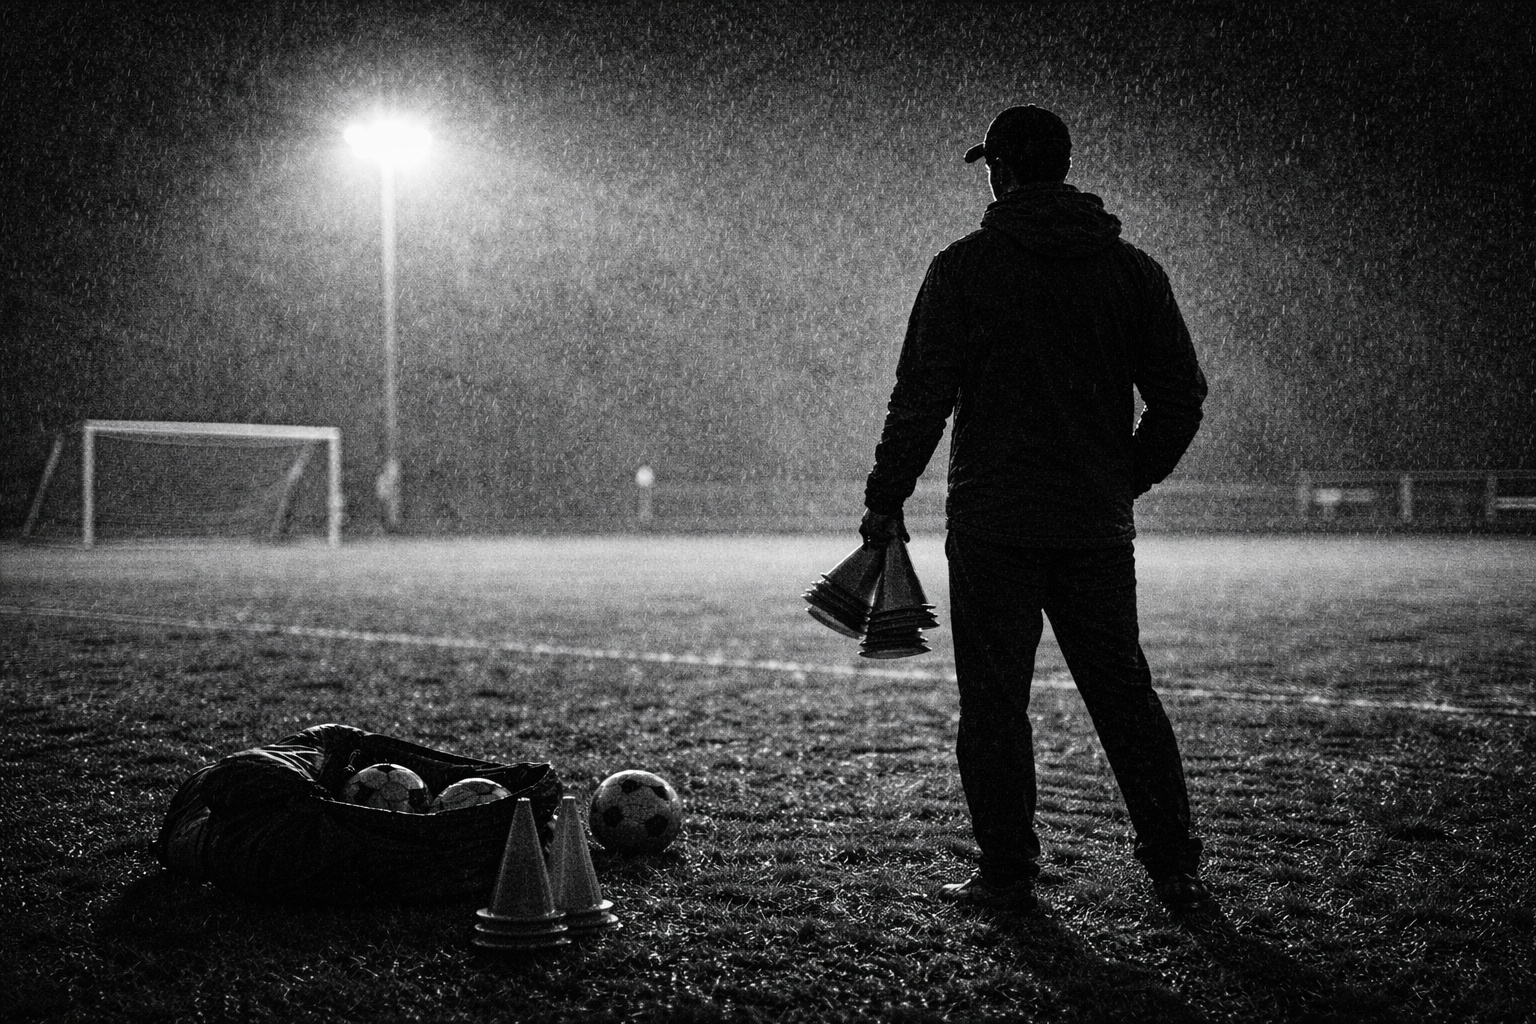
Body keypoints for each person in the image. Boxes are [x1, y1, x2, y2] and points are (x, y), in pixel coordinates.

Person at [859, 104, 1211, 914]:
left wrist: (885, 498)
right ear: (1063, 166)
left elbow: (922, 398)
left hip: (994, 523)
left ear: (1002, 171)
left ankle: (1009, 874)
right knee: (1124, 696)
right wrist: (1123, 479)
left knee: (993, 704)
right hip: (1091, 525)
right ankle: (1173, 866)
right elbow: (1181, 398)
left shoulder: (965, 268)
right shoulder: (1131, 271)